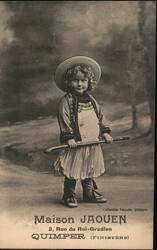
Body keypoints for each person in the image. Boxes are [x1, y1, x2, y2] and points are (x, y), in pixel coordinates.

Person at [54, 56, 113, 208]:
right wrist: (69, 137)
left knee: (89, 168)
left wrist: (105, 132)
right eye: (75, 80)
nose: (80, 84)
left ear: (89, 82)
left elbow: (100, 117)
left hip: (92, 142)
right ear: (68, 82)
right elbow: (64, 120)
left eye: (83, 80)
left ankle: (89, 193)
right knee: (74, 169)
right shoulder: (66, 101)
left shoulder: (92, 100)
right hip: (76, 143)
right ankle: (69, 195)